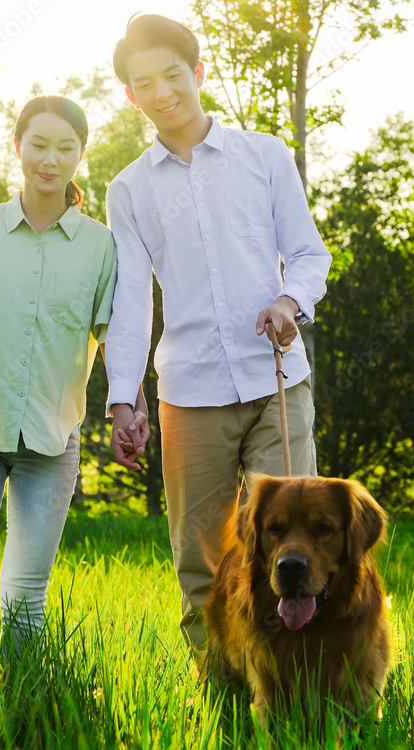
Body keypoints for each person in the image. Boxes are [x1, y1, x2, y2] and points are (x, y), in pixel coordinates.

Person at [103, 15, 333, 655]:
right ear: (131, 96)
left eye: (173, 75)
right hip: (190, 392)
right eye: (144, 83)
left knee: (294, 551)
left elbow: (310, 256)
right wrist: (124, 397)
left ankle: (297, 695)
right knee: (202, 561)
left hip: (276, 382)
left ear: (199, 73)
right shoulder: (129, 190)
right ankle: (220, 697)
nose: (162, 92)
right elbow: (129, 300)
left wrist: (290, 299)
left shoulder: (265, 156)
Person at [0, 96, 146, 652]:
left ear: (80, 155)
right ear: (17, 147)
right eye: (38, 144)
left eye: (65, 148)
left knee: (25, 595)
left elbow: (118, 340)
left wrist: (127, 409)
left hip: (53, 435)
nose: (50, 158)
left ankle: (20, 705)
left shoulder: (102, 246)